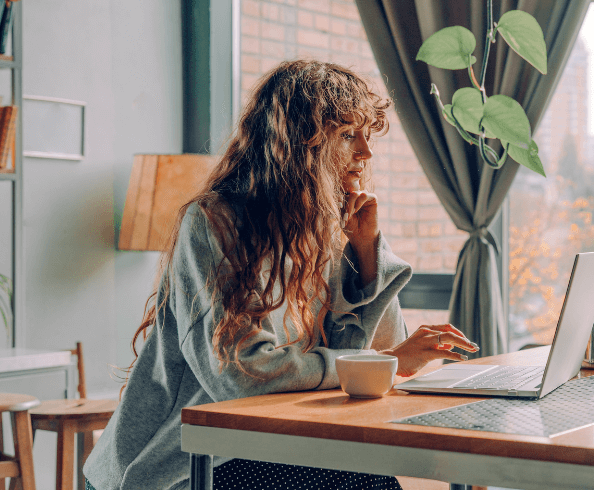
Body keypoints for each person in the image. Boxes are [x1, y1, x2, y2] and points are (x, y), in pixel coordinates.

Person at [84, 60, 479, 490]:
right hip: (180, 461)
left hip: (271, 440)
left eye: (366, 136)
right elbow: (241, 378)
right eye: (348, 135)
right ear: (297, 144)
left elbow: (380, 354)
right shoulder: (214, 224)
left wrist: (366, 254)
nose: (365, 152)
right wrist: (383, 363)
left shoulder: (324, 228)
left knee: (371, 479)